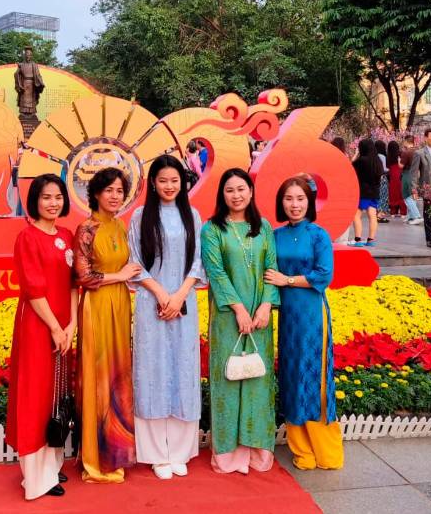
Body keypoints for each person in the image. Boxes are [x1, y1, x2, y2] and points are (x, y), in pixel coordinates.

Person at [127, 155, 206, 480]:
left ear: (183, 182)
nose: (170, 186)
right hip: (151, 305)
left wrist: (180, 294)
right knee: (153, 372)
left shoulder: (193, 216)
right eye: (163, 181)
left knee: (183, 370)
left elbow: (198, 261)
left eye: (175, 180)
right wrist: (162, 294)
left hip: (184, 304)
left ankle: (180, 450)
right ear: (153, 184)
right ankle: (157, 454)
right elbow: (134, 261)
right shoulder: (140, 216)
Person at [200, 168, 279, 475]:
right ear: (222, 194)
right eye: (230, 190)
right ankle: (228, 454)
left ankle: (257, 451)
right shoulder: (212, 229)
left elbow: (272, 268)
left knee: (258, 381)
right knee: (229, 379)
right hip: (227, 317)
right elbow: (216, 273)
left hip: (260, 317)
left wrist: (264, 306)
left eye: (241, 189)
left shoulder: (264, 227)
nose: (236, 195)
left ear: (251, 191)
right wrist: (238, 309)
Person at [264, 176, 344, 471]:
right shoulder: (274, 235)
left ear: (309, 202)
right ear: (280, 203)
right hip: (287, 318)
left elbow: (324, 275)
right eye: (288, 199)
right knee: (291, 375)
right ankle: (302, 449)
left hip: (312, 315)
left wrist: (286, 280)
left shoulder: (318, 235)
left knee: (315, 379)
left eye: (300, 199)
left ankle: (326, 451)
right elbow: (265, 270)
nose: (294, 205)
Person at [6, 174, 77, 500]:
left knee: (56, 392)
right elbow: (33, 290)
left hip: (64, 326)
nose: (53, 203)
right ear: (34, 201)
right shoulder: (27, 238)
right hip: (38, 326)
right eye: (46, 197)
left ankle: (53, 462)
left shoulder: (66, 235)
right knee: (36, 394)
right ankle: (36, 478)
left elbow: (73, 283)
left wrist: (72, 324)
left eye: (58, 197)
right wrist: (54, 327)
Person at [73, 167, 141, 483]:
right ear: (96, 194)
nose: (114, 196)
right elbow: (84, 276)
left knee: (118, 377)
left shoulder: (119, 226)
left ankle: (115, 450)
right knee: (99, 376)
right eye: (109, 190)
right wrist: (120, 277)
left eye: (119, 191)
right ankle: (95, 460)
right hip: (97, 306)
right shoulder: (87, 229)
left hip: (119, 305)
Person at [350, 138, 384, 247]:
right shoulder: (377, 160)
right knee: (372, 216)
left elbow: (350, 167)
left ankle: (358, 240)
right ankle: (371, 240)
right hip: (374, 192)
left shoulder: (361, 161)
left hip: (362, 192)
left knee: (356, 215)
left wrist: (356, 154)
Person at [400, 135, 423, 225]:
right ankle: (410, 216)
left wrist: (399, 161)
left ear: (406, 141)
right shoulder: (419, 151)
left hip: (407, 174)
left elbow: (401, 166)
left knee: (407, 196)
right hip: (416, 174)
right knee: (412, 196)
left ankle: (417, 216)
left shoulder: (406, 152)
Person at [386, 141, 406, 218]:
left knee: (393, 193)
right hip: (400, 174)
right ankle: (403, 212)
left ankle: (393, 212)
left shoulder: (388, 156)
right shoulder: (401, 154)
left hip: (392, 175)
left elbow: (387, 166)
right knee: (401, 193)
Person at [375, 140, 390, 223]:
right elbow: (384, 169)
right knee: (383, 196)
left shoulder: (373, 156)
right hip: (382, 178)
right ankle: (380, 215)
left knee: (377, 195)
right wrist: (390, 169)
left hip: (374, 179)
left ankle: (376, 214)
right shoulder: (382, 156)